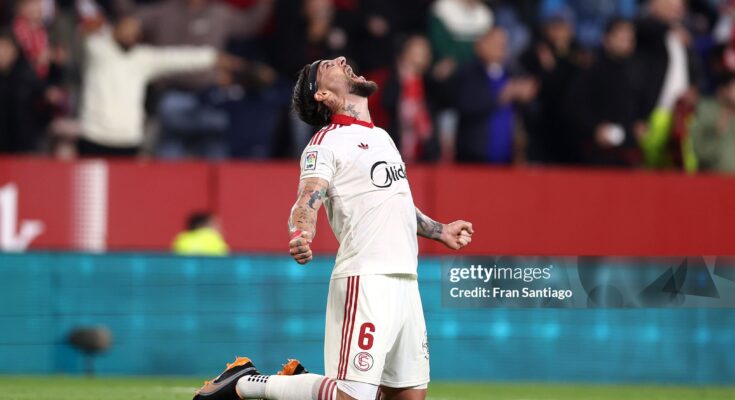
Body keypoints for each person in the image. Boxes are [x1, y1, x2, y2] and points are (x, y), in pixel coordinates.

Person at [194, 56, 474, 400]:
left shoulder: (383, 137)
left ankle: (300, 381)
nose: (342, 60)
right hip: (366, 278)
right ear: (322, 95)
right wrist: (301, 233)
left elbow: (395, 202)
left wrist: (438, 230)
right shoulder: (325, 142)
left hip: (406, 281)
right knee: (351, 395)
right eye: (328, 66)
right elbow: (308, 196)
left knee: (408, 396)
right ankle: (244, 382)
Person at [78, 13, 242, 157]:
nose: (129, 33)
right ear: (115, 29)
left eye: (134, 29)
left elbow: (179, 58)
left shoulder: (143, 58)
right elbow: (86, 32)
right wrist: (94, 24)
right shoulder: (98, 50)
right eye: (125, 27)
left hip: (127, 138)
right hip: (94, 135)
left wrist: (213, 58)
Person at [564, 18, 643, 166]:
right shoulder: (591, 71)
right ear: (606, 39)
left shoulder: (637, 73)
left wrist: (639, 125)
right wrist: (595, 128)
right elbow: (573, 109)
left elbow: (639, 108)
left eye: (630, 38)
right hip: (596, 155)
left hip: (628, 154)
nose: (626, 42)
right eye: (621, 37)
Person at [455, 27, 537, 163]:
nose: (501, 47)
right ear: (480, 45)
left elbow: (534, 111)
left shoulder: (513, 72)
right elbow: (466, 105)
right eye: (495, 43)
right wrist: (501, 97)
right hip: (474, 157)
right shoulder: (469, 72)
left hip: (508, 159)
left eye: (503, 43)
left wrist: (527, 97)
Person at [690, 72, 735, 173]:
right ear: (723, 90)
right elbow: (700, 152)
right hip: (712, 181)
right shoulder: (705, 111)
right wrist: (716, 133)